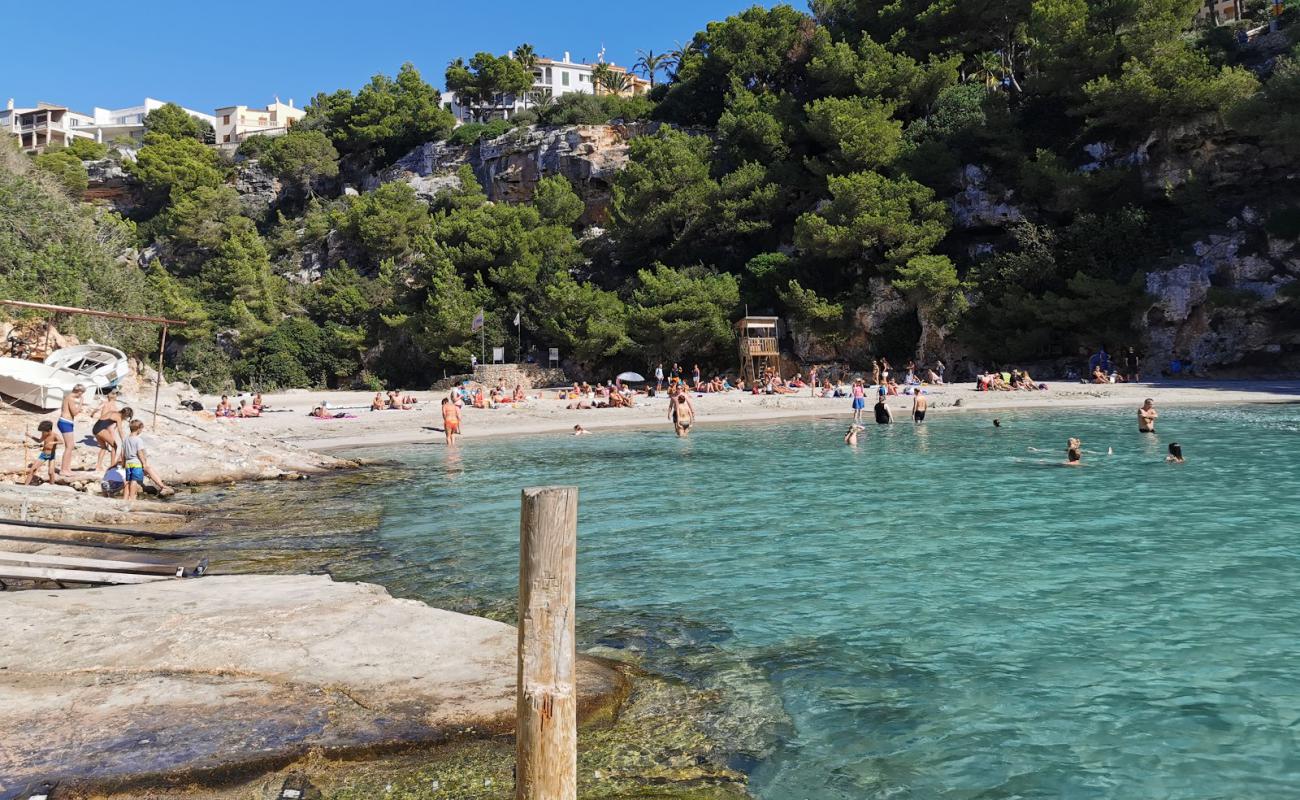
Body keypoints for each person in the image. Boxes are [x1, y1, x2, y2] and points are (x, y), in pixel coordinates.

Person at [119, 419, 171, 500]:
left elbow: (123, 453)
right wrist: (143, 463)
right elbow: (139, 453)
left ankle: (125, 498)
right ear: (138, 429)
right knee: (134, 481)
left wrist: (123, 462)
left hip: (128, 463)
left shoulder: (125, 440)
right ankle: (132, 498)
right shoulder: (138, 440)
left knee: (128, 481)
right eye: (141, 429)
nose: (141, 431)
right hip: (136, 463)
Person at [91, 390, 123, 473]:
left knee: (104, 447)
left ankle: (99, 465)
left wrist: (92, 414)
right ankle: (113, 465)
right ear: (115, 397)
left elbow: (97, 409)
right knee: (114, 445)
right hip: (109, 426)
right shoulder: (114, 406)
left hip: (101, 423)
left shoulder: (104, 403)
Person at [57, 384, 86, 476]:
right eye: (82, 393)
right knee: (69, 446)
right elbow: (75, 412)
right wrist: (81, 403)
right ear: (79, 392)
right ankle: (63, 470)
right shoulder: (70, 398)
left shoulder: (67, 397)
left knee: (70, 446)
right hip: (65, 422)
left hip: (66, 422)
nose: (81, 395)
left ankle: (67, 468)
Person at [25, 420, 59, 485]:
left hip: (51, 455)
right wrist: (30, 436)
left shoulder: (55, 435)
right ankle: (25, 486)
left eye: (43, 431)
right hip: (43, 455)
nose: (42, 433)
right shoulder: (44, 434)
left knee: (51, 472)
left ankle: (52, 486)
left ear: (49, 430)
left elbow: (61, 442)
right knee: (32, 470)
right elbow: (39, 441)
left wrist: (53, 442)